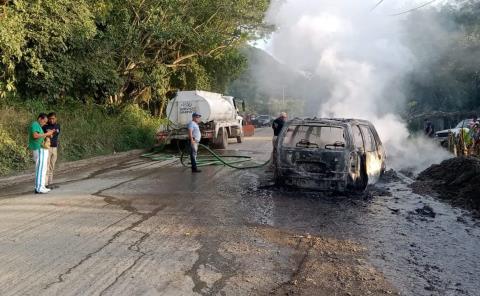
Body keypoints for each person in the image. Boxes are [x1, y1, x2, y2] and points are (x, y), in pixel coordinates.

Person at [28, 113, 54, 194]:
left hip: (41, 148)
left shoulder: (39, 126)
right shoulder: (35, 124)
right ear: (40, 118)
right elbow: (35, 135)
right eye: (44, 121)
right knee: (40, 169)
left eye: (45, 122)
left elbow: (40, 136)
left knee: (43, 169)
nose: (44, 123)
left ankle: (41, 186)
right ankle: (39, 188)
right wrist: (47, 134)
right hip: (39, 149)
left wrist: (48, 135)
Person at [42, 112, 60, 188]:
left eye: (53, 118)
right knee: (47, 166)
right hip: (47, 148)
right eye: (50, 118)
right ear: (48, 119)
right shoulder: (45, 126)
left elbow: (55, 134)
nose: (51, 120)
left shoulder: (58, 125)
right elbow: (44, 136)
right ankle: (45, 184)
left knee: (52, 166)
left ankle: (50, 183)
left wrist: (50, 133)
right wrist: (51, 133)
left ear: (55, 118)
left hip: (55, 148)